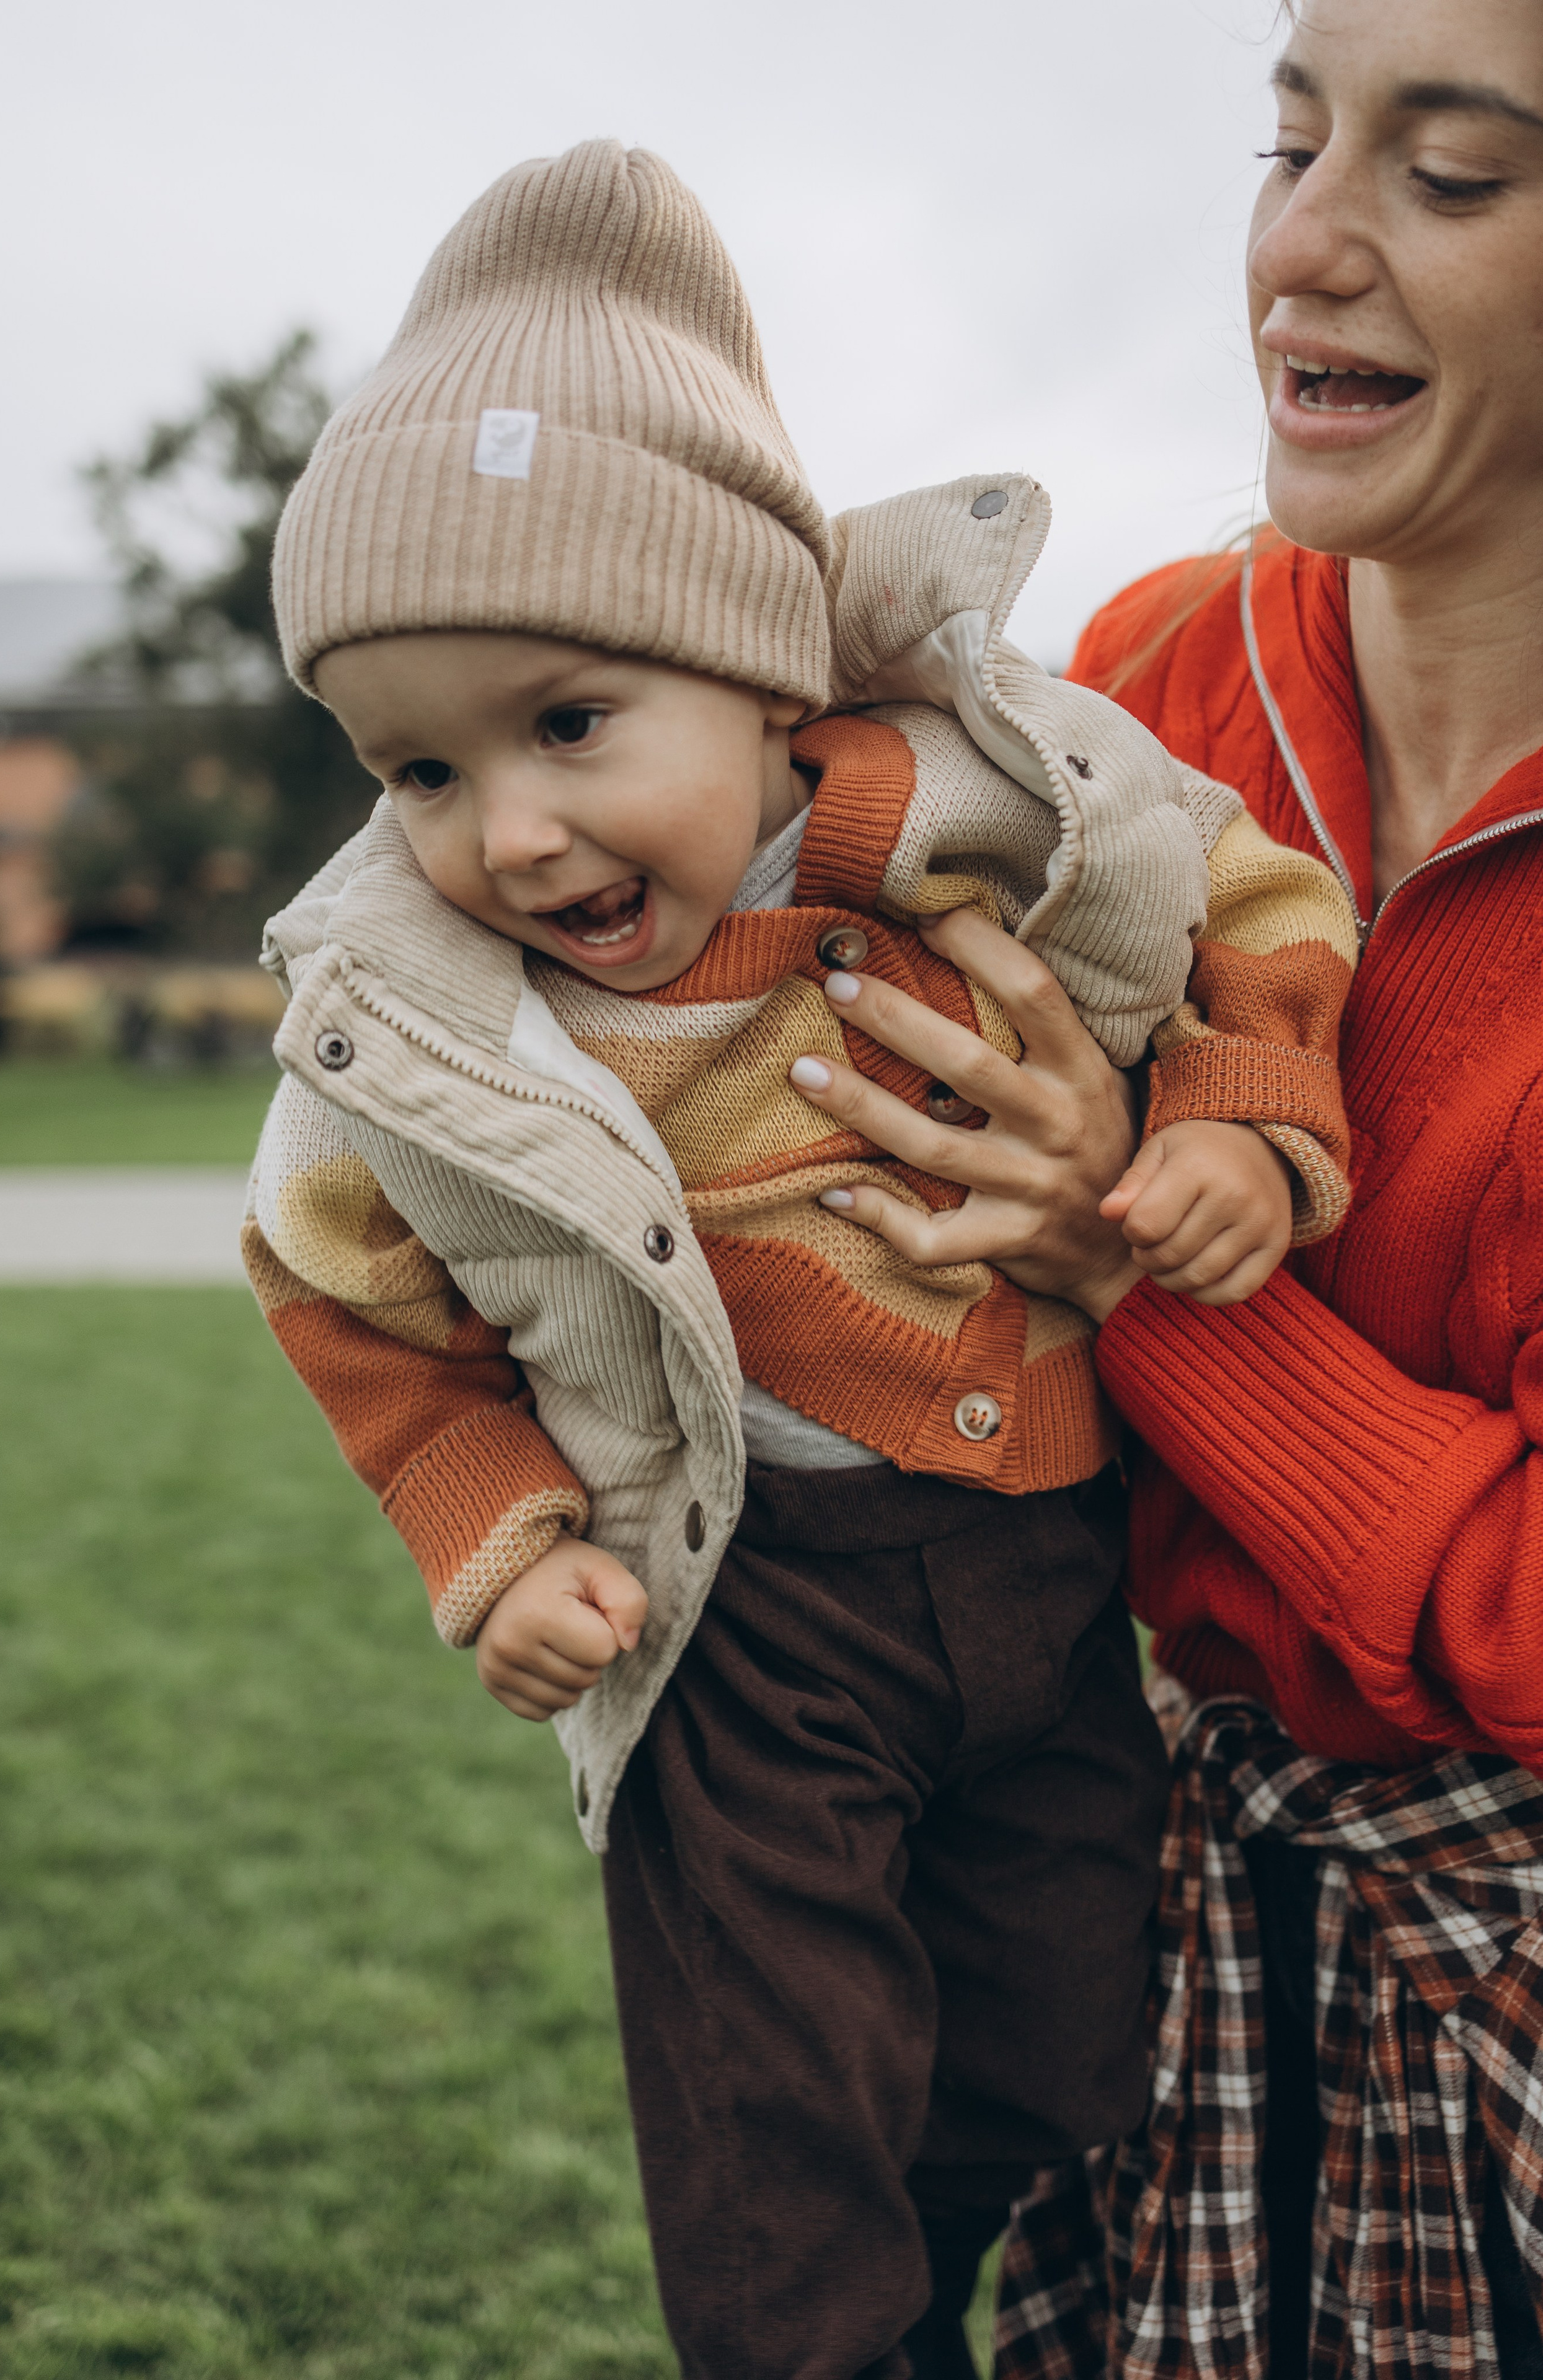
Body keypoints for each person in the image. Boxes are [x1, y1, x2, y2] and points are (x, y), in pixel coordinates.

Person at [242, 140, 1360, 2380]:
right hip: (749, 1614)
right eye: (420, 772)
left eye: (570, 725)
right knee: (778, 2128)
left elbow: (1246, 898)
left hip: (1044, 1565)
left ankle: (930, 2245)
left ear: (760, 671)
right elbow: (336, 1286)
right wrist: (498, 1533)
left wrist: (1245, 1116)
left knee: (1066, 2040)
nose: (511, 832)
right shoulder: (424, 1023)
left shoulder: (1002, 801)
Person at [782, 1, 1543, 2369]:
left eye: (1453, 172)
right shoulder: (1142, 690)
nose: (1300, 244)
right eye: (1291, 143)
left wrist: (1135, 1264)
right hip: (1158, 1904)